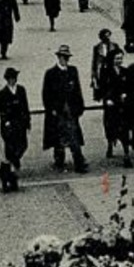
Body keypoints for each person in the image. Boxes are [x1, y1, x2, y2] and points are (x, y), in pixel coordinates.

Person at [41, 45, 89, 173]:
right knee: (58, 137)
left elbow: (77, 89)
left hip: (71, 110)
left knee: (74, 136)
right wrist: (50, 109)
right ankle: (59, 159)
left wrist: (80, 106)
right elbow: (46, 93)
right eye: (63, 57)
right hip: (58, 111)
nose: (65, 60)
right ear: (59, 57)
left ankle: (79, 161)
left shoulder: (73, 71)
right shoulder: (51, 73)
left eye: (67, 58)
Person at [0, 66, 30, 192]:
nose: (13, 80)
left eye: (14, 78)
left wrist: (28, 122)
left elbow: (26, 106)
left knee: (23, 145)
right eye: (10, 78)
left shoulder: (21, 90)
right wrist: (6, 123)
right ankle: (10, 175)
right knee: (10, 149)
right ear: (7, 80)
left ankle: (4, 170)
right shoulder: (3, 93)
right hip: (10, 126)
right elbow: (2, 111)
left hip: (20, 124)